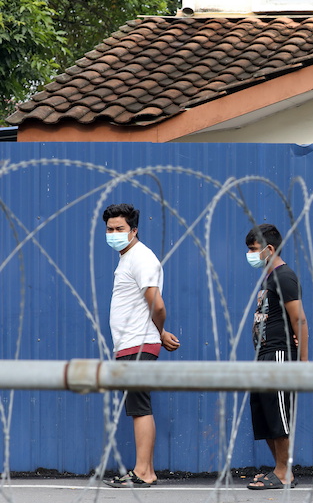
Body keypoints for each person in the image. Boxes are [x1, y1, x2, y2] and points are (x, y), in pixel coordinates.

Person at [101, 204, 180, 488]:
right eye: (109, 229)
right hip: (131, 344)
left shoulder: (141, 258)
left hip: (137, 344)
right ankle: (143, 470)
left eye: (119, 229)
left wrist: (158, 332)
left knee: (139, 407)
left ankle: (144, 471)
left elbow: (157, 304)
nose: (113, 234)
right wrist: (158, 332)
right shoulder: (128, 258)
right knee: (137, 406)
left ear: (133, 230)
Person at [244, 224, 309, 490]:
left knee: (280, 416)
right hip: (265, 354)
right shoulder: (269, 278)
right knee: (266, 415)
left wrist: (303, 364)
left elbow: (300, 320)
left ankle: (284, 473)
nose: (249, 254)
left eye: (253, 249)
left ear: (269, 249)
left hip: (280, 354)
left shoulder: (284, 277)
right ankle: (279, 469)